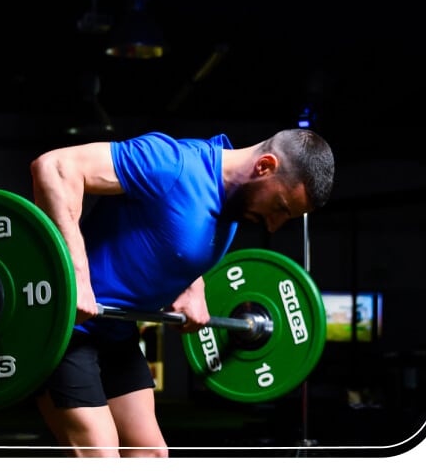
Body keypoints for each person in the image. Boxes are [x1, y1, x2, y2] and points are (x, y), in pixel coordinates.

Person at [29, 128, 335, 457]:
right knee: (101, 457)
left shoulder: (229, 201)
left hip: (116, 332)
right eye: (279, 206)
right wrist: (77, 275)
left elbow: (177, 234)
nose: (274, 225)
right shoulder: (172, 163)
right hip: (65, 329)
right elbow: (55, 167)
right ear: (264, 166)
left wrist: (194, 284)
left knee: (151, 454)